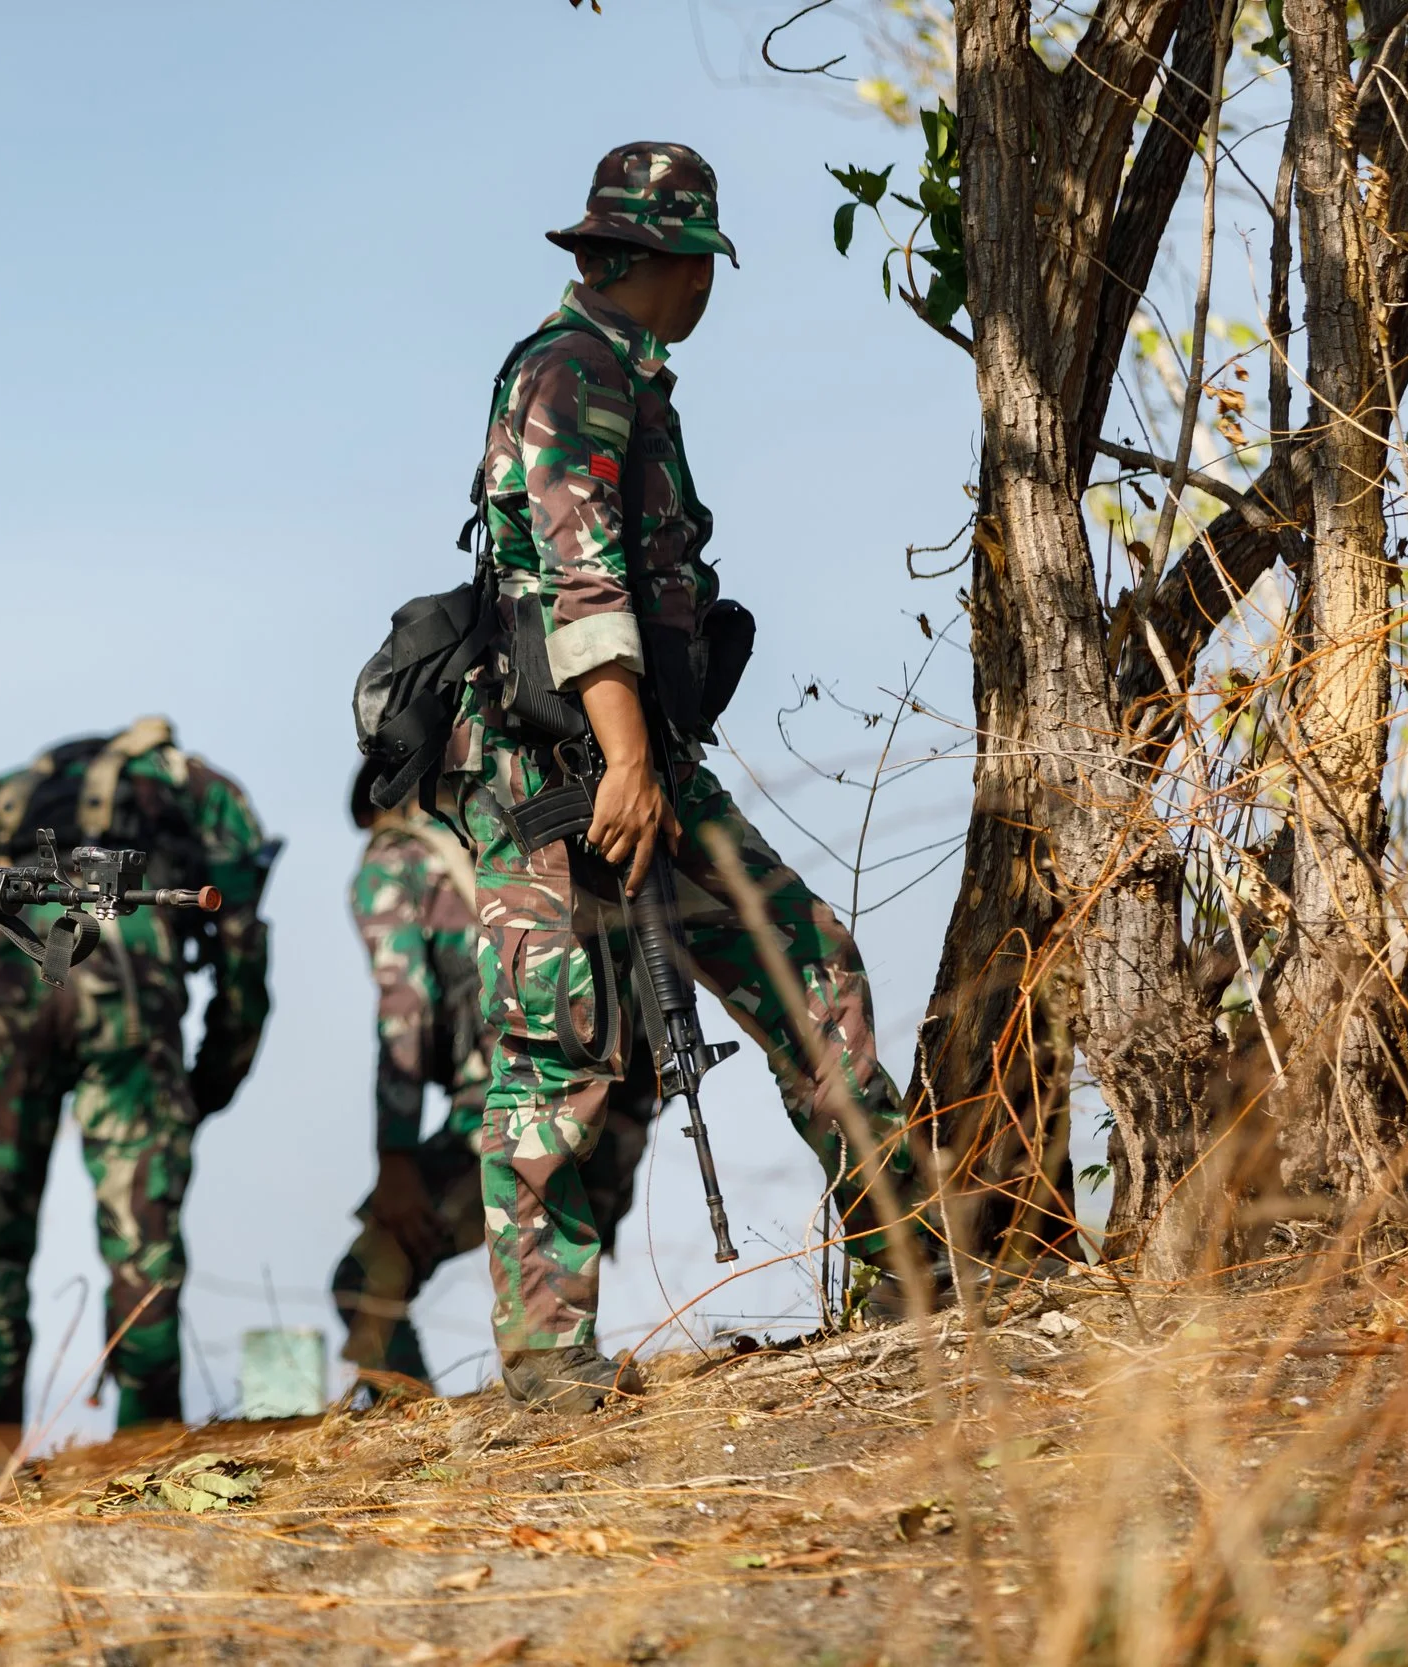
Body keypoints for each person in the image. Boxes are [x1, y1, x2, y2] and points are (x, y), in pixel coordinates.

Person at [436, 142, 920, 1413]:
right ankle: (546, 1368)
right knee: (562, 1056)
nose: (706, 291)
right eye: (697, 264)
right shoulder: (574, 371)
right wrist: (632, 757)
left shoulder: (619, 371)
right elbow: (578, 572)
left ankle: (904, 1276)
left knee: (809, 964)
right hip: (565, 771)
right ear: (651, 262)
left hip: (633, 756)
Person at [0, 718, 275, 1443]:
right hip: (127, 965)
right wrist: (207, 1085)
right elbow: (244, 947)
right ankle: (144, 1448)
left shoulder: (6, 794)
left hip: (10, 964)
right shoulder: (199, 785)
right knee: (141, 1239)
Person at [330, 759, 654, 1389]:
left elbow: (406, 1010)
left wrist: (395, 1157)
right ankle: (575, 1378)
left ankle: (415, 1426)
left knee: (364, 1281)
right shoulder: (511, 832)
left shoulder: (393, 859)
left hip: (512, 1097)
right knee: (552, 1262)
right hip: (620, 1093)